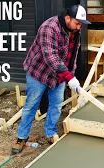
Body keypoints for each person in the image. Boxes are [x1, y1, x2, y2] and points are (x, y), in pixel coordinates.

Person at [12, 4, 91, 154]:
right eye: (78, 23)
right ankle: (21, 138)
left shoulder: (74, 30)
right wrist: (69, 76)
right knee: (32, 105)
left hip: (59, 75)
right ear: (68, 18)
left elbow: (71, 56)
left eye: (81, 24)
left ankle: (50, 133)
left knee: (56, 105)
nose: (79, 27)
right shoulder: (49, 28)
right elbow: (51, 56)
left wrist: (71, 75)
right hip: (39, 73)